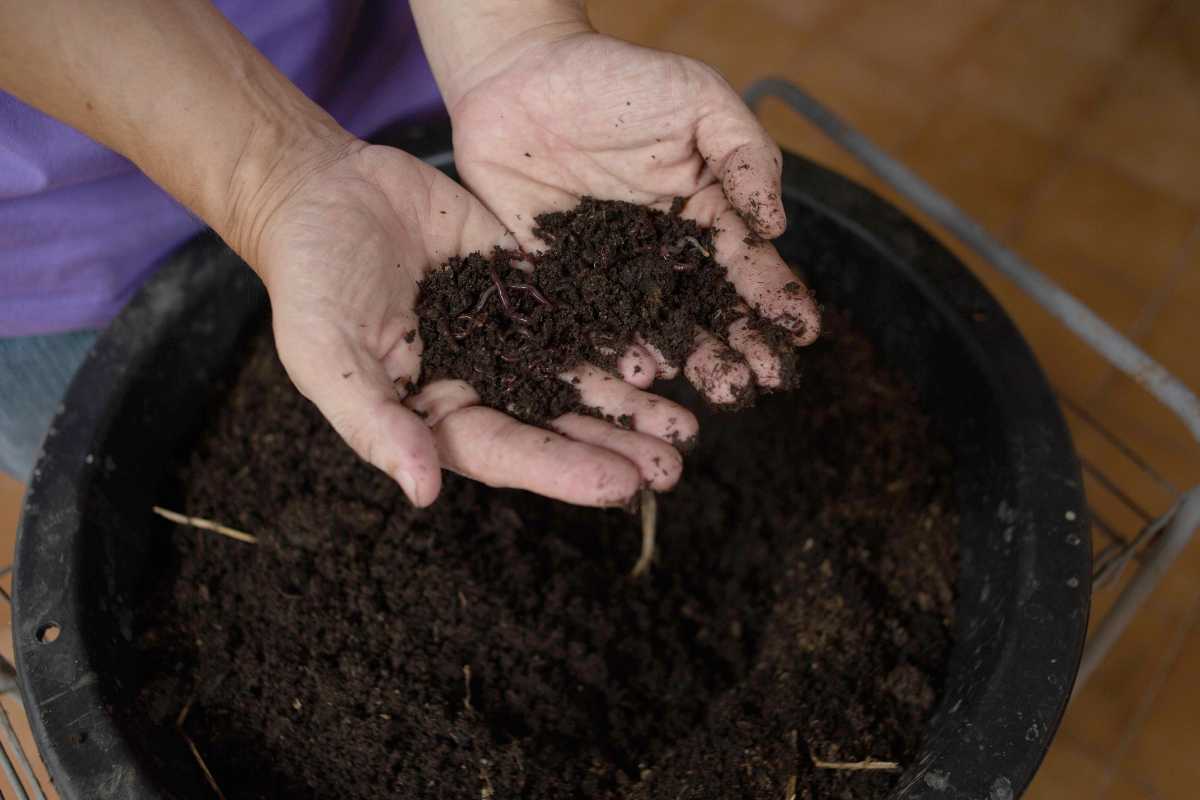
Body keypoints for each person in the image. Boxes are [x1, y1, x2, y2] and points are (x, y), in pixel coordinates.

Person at [0, 0, 820, 509]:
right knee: (125, 470)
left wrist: (512, 37)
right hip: (56, 244)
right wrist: (270, 177)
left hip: (410, 65)